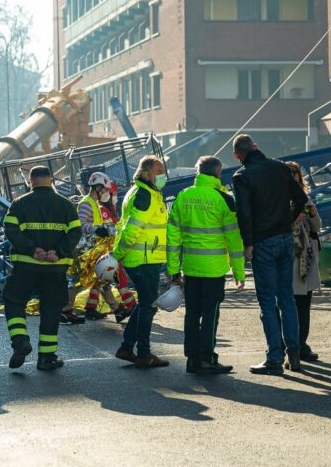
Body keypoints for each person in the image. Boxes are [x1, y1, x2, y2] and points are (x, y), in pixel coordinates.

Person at [231, 134, 307, 376]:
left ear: (237, 155)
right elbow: (301, 198)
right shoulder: (280, 167)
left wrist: (248, 243)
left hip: (263, 241)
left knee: (266, 300)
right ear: (256, 147)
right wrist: (289, 219)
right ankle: (294, 353)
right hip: (285, 237)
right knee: (287, 297)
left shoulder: (242, 176)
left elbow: (244, 212)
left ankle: (275, 357)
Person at [166, 156, 246, 375]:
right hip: (213, 268)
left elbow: (172, 237)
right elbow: (234, 240)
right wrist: (239, 273)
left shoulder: (183, 196)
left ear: (198, 172)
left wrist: (173, 270)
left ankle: (192, 359)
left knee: (192, 313)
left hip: (191, 267)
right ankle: (207, 358)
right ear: (218, 174)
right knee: (210, 314)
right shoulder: (224, 199)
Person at [2, 166, 81, 371]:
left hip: (26, 266)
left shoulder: (19, 204)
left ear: (31, 181)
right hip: (55, 269)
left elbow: (10, 229)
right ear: (51, 180)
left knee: (14, 300)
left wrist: (32, 249)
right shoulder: (66, 206)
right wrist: (58, 251)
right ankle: (46, 357)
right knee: (52, 310)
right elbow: (75, 233)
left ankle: (20, 342)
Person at [112, 155, 170, 369]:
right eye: (159, 171)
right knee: (149, 306)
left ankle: (127, 347)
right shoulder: (145, 194)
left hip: (143, 257)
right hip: (143, 259)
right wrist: (117, 254)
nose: (163, 175)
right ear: (147, 174)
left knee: (145, 304)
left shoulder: (143, 192)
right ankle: (143, 353)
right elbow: (132, 229)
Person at [72, 172, 135, 323]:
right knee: (78, 283)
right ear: (98, 187)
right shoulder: (87, 203)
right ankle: (65, 309)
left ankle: (113, 309)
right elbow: (81, 224)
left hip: (96, 249)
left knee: (100, 280)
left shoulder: (94, 204)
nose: (107, 193)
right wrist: (96, 229)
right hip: (89, 251)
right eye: (105, 189)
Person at [287, 161, 321, 362]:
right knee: (288, 303)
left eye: (296, 173)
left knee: (303, 303)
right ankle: (291, 344)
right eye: (289, 174)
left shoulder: (305, 199)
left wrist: (313, 214)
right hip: (289, 256)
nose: (293, 177)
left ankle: (302, 343)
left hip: (305, 257)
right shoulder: (278, 199)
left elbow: (317, 227)